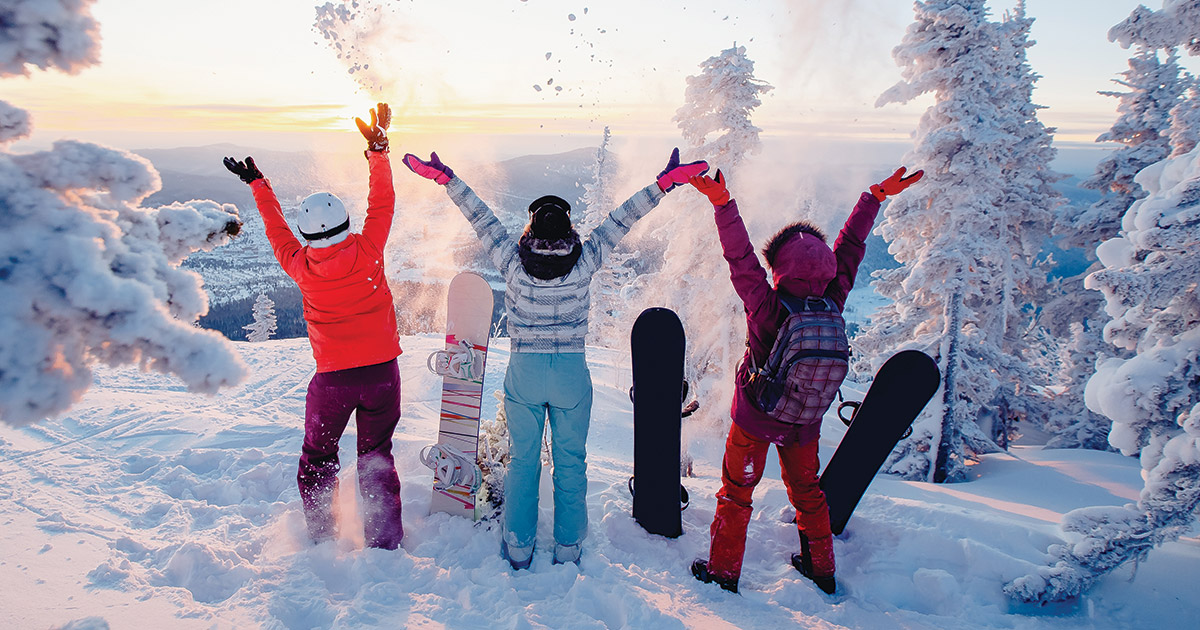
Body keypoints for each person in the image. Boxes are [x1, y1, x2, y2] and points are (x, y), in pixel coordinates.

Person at [403, 148, 708, 569]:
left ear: (530, 228)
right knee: (571, 462)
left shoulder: (512, 263)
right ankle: (567, 546)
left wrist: (448, 180)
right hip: (569, 374)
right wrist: (662, 185)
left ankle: (518, 544)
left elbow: (482, 219)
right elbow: (622, 220)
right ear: (568, 229)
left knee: (524, 461)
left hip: (525, 373)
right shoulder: (583, 263)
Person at [687, 166, 923, 594]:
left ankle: (723, 571)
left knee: (737, 491)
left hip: (756, 418)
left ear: (779, 268)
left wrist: (723, 205)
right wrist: (873, 199)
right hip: (804, 420)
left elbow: (739, 258)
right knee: (808, 492)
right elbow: (851, 249)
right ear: (827, 271)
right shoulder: (832, 300)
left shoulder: (766, 307)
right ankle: (821, 568)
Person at [222, 103, 405, 550]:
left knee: (320, 457)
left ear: (309, 236)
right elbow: (383, 201)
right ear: (346, 224)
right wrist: (377, 150)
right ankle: (384, 541)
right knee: (375, 456)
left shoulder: (301, 265)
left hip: (333, 382)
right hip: (382, 375)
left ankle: (324, 536)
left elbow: (275, 229)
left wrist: (258, 185)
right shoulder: (368, 249)